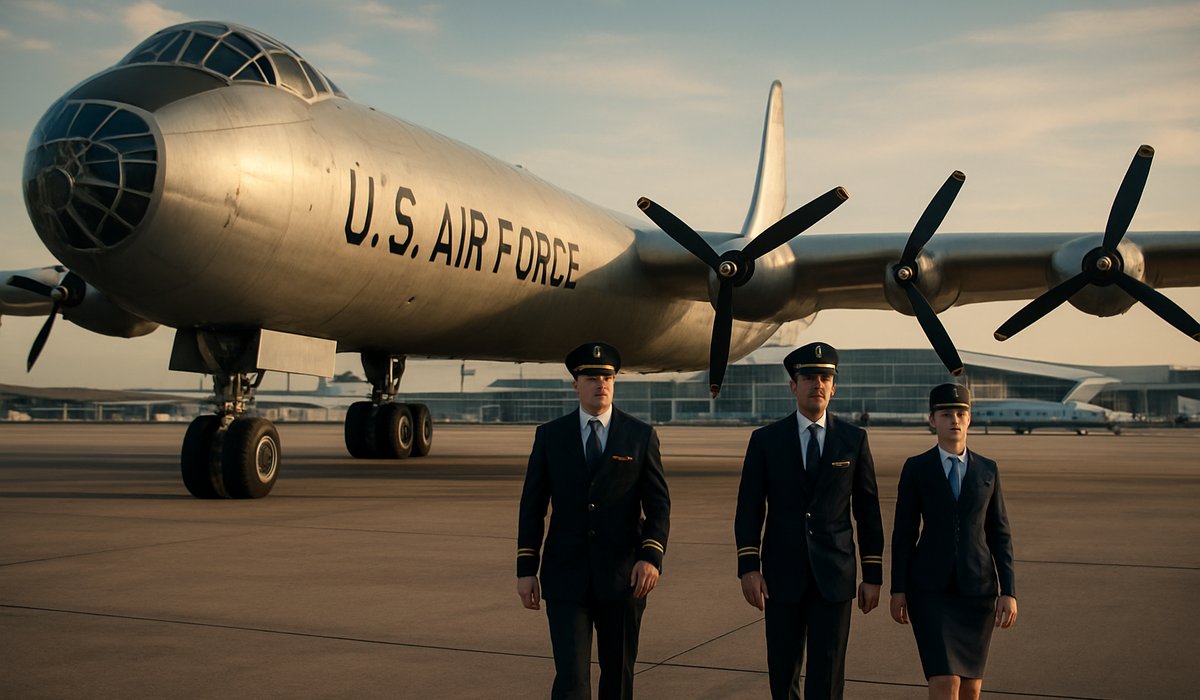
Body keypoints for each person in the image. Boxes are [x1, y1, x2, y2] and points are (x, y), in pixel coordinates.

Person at [516, 341, 671, 700]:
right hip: (566, 577)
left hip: (623, 579)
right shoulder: (550, 436)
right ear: (575, 384)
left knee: (617, 679)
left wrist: (651, 557)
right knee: (571, 680)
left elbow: (659, 505)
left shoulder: (639, 436)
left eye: (607, 377)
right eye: (591, 377)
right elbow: (532, 506)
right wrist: (526, 568)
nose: (600, 383)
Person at [734, 342, 884, 699]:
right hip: (781, 575)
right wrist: (748, 567)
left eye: (825, 377)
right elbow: (749, 508)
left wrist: (873, 574)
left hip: (835, 575)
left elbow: (867, 510)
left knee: (828, 674)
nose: (817, 383)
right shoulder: (765, 441)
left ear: (834, 387)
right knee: (783, 671)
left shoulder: (853, 440)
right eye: (808, 377)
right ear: (793, 386)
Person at [889, 383, 1018, 700]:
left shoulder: (988, 469)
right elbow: (904, 533)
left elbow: (999, 534)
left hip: (977, 592)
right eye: (946, 414)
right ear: (932, 420)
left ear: (970, 419)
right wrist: (898, 589)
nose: (955, 420)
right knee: (945, 682)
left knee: (971, 688)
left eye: (961, 413)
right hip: (930, 591)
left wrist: (1009, 591)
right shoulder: (917, 468)